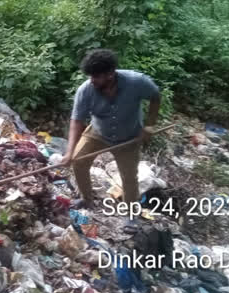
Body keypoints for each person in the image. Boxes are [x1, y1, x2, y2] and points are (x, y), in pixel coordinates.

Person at [60, 49, 161, 205]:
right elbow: (76, 120)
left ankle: (130, 214)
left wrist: (149, 126)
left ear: (110, 74)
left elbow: (155, 96)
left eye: (96, 76)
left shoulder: (136, 82)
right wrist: (69, 152)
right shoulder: (85, 90)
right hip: (98, 132)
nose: (92, 80)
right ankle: (86, 199)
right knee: (78, 160)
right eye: (90, 76)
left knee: (129, 177)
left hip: (129, 136)